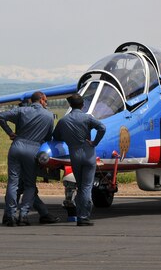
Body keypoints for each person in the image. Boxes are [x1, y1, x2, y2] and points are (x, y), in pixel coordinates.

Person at [0, 91, 54, 226]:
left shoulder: (21, 111)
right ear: (41, 100)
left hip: (16, 146)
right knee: (29, 185)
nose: (46, 103)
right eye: (45, 101)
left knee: (13, 183)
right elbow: (49, 137)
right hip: (33, 150)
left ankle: (10, 215)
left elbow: (0, 116)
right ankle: (23, 215)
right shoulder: (49, 116)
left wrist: (10, 133)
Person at [53, 94, 106, 226]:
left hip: (75, 154)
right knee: (87, 186)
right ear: (83, 105)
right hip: (88, 153)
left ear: (70, 105)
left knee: (81, 185)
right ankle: (84, 216)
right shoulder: (87, 118)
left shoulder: (63, 121)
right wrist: (95, 142)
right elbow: (102, 128)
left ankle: (79, 213)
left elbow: (56, 136)